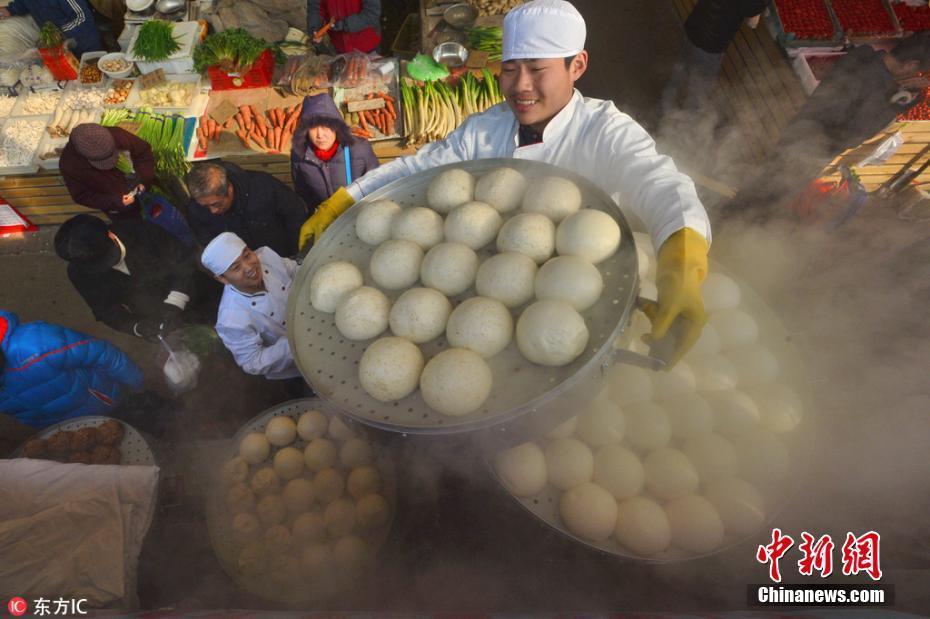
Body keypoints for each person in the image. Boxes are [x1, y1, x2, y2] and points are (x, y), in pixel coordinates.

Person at [300, 0, 712, 366]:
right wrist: (347, 198)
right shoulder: (486, 129)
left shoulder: (605, 130)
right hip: (487, 282)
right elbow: (419, 167)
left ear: (578, 66)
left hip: (583, 291)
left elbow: (658, 181)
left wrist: (682, 258)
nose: (521, 87)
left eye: (537, 70)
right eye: (510, 70)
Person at [727, 32, 930, 221]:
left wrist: (896, 88)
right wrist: (898, 105)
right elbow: (854, 136)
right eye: (919, 71)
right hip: (815, 150)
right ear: (911, 64)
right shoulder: (877, 95)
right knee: (772, 195)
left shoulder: (862, 54)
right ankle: (736, 224)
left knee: (763, 181)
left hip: (799, 129)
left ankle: (730, 211)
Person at [54, 214, 220, 340]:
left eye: (107, 258)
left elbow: (184, 261)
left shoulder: (141, 231)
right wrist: (137, 327)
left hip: (197, 291)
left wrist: (176, 300)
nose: (109, 266)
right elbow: (107, 311)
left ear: (111, 235)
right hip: (155, 315)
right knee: (199, 343)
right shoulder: (79, 273)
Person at [0, 309, 143, 429]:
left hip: (110, 403)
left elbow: (103, 354)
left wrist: (136, 382)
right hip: (70, 430)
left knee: (146, 417)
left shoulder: (35, 344)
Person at [201, 232, 301, 380]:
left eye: (247, 255)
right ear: (222, 279)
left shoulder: (267, 256)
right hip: (297, 365)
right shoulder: (231, 320)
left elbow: (296, 271)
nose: (249, 267)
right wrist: (296, 343)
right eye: (236, 268)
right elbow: (252, 362)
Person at [660, 0, 765, 116]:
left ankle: (663, 106)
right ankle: (683, 124)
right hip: (712, 43)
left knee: (680, 70)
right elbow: (752, 23)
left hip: (694, 26)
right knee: (699, 92)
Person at [186, 161, 308, 258]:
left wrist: (295, 253)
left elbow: (295, 214)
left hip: (283, 258)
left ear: (229, 189)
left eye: (216, 204)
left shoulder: (263, 186)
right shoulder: (195, 210)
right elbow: (208, 243)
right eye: (204, 206)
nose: (212, 211)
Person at [290, 93, 379, 216]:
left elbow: (377, 185)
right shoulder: (299, 155)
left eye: (326, 126)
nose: (320, 135)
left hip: (361, 214)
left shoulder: (359, 149)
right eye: (313, 127)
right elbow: (303, 195)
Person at [60, 123, 157, 221]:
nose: (111, 163)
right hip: (116, 206)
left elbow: (143, 152)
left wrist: (143, 178)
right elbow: (82, 196)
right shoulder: (69, 165)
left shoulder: (117, 135)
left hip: (139, 188)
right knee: (128, 223)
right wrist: (114, 201)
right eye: (103, 162)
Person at [0, 0, 103, 57]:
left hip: (85, 44)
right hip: (60, 48)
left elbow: (82, 16)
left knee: (93, 78)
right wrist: (7, 11)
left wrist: (60, 33)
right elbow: (23, 4)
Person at [307, 0, 381, 54]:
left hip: (367, 45)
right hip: (339, 46)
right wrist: (314, 26)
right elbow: (315, 8)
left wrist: (344, 24)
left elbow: (372, 13)